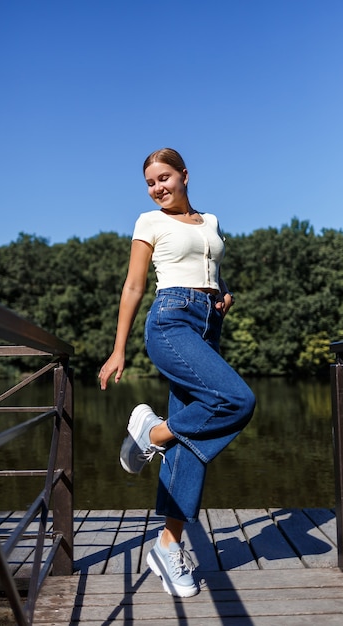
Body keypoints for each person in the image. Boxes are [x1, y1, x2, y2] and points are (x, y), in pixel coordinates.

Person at [99, 148, 255, 598]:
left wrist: (223, 295)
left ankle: (168, 545)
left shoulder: (211, 221)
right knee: (238, 401)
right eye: (151, 182)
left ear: (184, 175)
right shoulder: (149, 222)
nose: (158, 188)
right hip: (171, 322)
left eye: (164, 178)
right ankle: (152, 433)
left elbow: (212, 271)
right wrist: (118, 350)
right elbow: (134, 284)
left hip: (209, 325)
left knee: (191, 444)